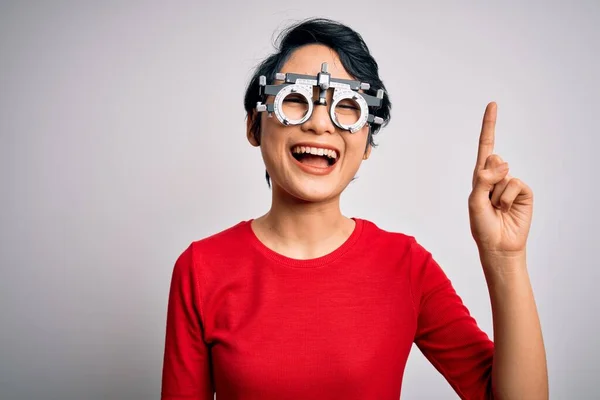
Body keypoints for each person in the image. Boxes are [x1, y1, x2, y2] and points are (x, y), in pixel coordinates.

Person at [160, 18, 548, 400]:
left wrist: (504, 258)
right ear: (254, 126)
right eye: (294, 99)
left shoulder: (406, 266)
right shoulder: (202, 268)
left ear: (366, 145)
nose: (319, 124)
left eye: (347, 108)